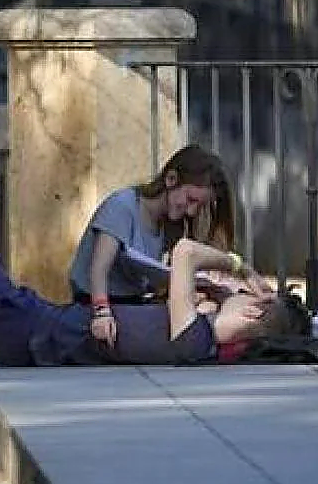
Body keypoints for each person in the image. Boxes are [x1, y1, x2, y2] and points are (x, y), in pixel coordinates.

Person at [0, 216, 306, 424]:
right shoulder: (200, 332)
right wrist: (223, 287)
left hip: (26, 332)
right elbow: (171, 269)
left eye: (247, 296)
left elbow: (184, 252)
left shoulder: (194, 337)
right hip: (34, 321)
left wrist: (238, 267)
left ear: (253, 312)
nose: (243, 290)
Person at [67, 145, 238, 346]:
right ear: (171, 179)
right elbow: (99, 270)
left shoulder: (170, 225)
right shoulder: (122, 206)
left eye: (198, 207)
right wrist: (102, 313)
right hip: (98, 305)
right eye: (190, 200)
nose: (191, 212)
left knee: (207, 310)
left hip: (134, 304)